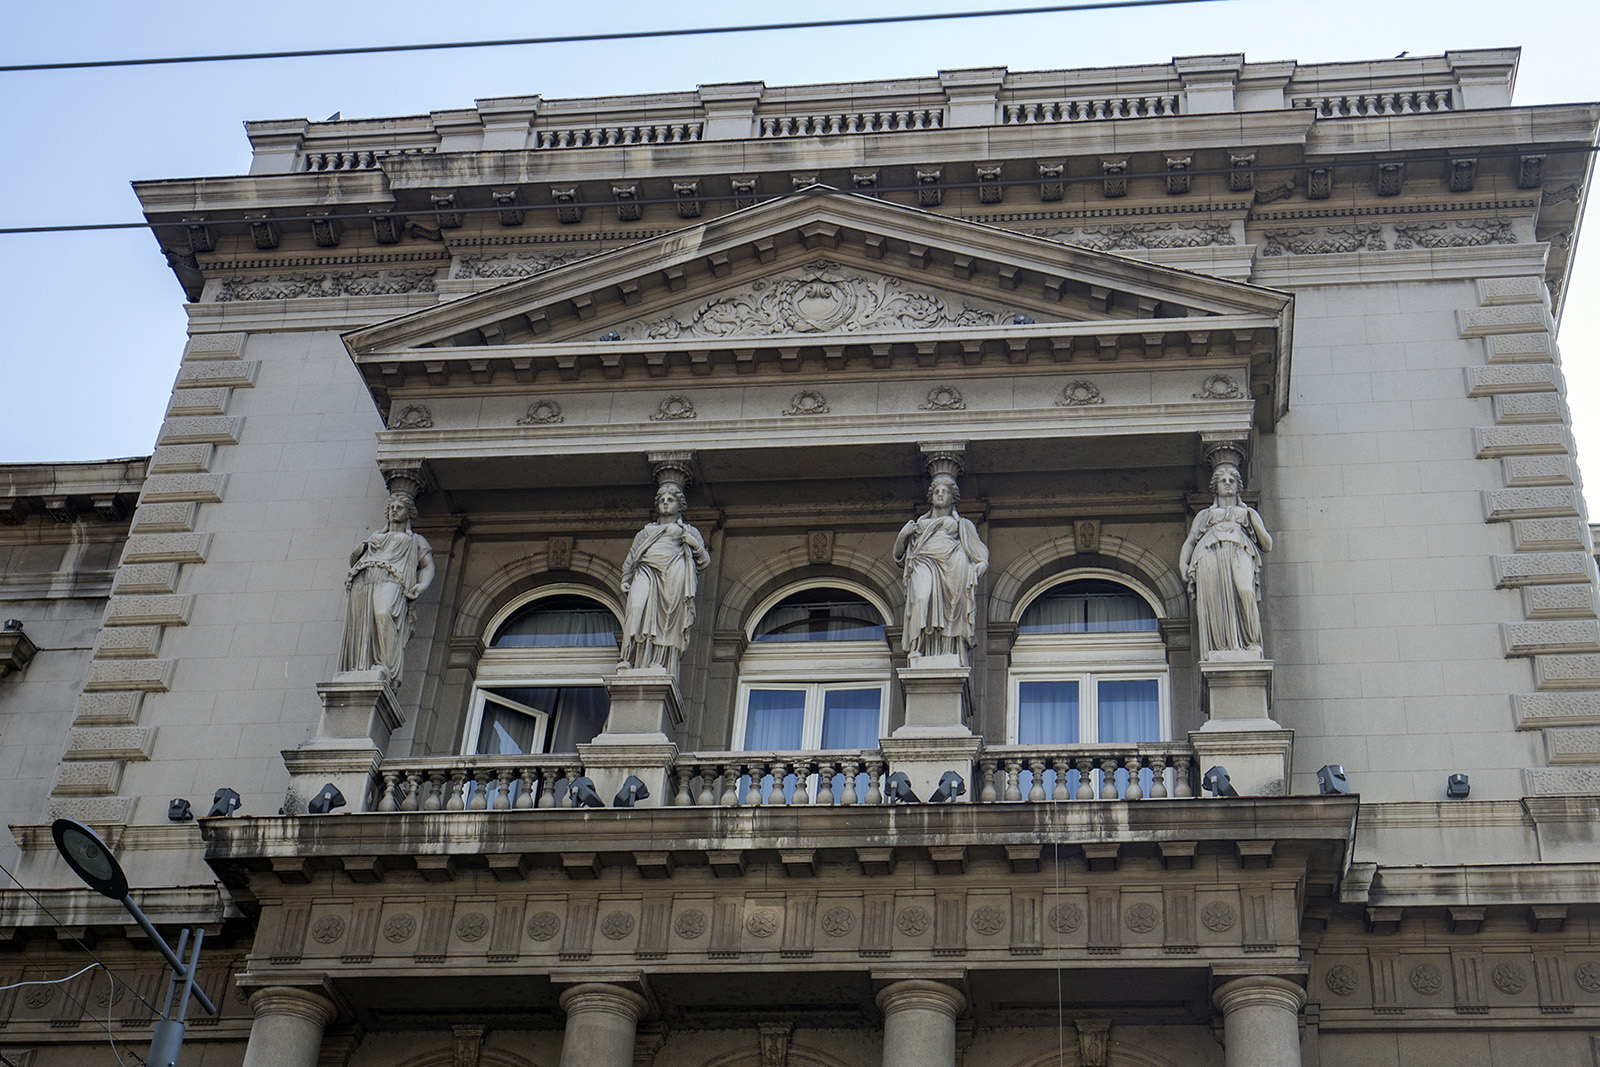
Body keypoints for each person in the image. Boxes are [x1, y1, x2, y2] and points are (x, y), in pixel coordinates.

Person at [339, 493, 436, 686]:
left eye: (399, 507)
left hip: (393, 581)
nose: (394, 510)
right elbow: (354, 559)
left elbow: (428, 566)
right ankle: (361, 667)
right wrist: (363, 547)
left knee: (383, 615)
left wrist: (421, 585)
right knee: (363, 624)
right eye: (391, 507)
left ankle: (387, 669)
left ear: (408, 513)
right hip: (363, 581)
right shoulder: (375, 537)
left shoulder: (415, 540)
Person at [1179, 464, 1273, 660]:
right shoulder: (1205, 515)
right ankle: (1222, 647)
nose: (1228, 483)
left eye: (1232, 480)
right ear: (1216, 487)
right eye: (1223, 481)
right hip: (1209, 553)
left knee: (1245, 591)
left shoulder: (1247, 514)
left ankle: (1250, 643)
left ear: (1238, 486)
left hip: (1240, 550)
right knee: (1216, 599)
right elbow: (1191, 540)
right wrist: (1183, 564)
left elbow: (1267, 545)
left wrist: (1254, 521)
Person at [893, 472, 989, 662]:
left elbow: (980, 553)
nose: (940, 494)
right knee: (921, 598)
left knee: (951, 611)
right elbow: (899, 556)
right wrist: (903, 535)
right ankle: (916, 647)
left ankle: (947, 650)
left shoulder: (962, 524)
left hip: (953, 565)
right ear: (930, 497)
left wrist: (978, 568)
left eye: (945, 491)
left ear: (953, 498)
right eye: (936, 491)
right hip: (923, 562)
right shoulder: (918, 525)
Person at [619, 483, 710, 673]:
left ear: (679, 505)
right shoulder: (645, 532)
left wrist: (695, 544)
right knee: (636, 609)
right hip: (645, 571)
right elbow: (632, 557)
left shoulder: (688, 531)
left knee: (668, 617)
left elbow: (704, 561)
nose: (665, 503)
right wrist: (626, 578)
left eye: (670, 500)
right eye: (662, 500)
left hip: (673, 570)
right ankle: (629, 658)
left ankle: (658, 661)